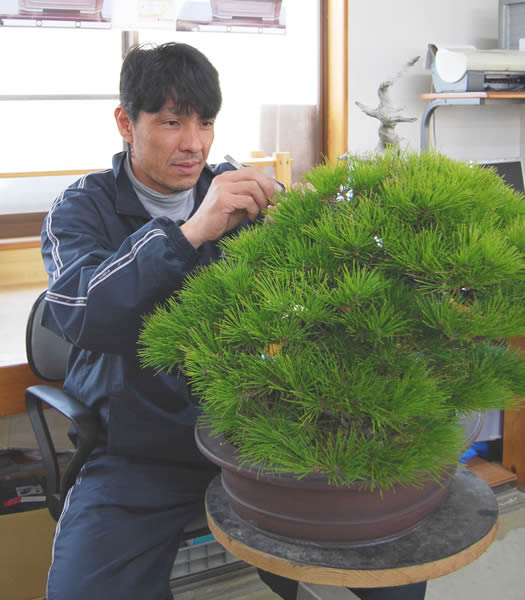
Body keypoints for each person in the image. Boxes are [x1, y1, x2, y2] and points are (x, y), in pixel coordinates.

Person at [40, 42, 427, 600]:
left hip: (253, 434)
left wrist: (328, 231)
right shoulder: (82, 208)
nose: (193, 143)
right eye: (172, 122)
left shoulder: (239, 193)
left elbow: (310, 296)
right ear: (126, 122)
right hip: (137, 453)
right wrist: (190, 232)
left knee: (394, 573)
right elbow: (80, 311)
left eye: (206, 122)